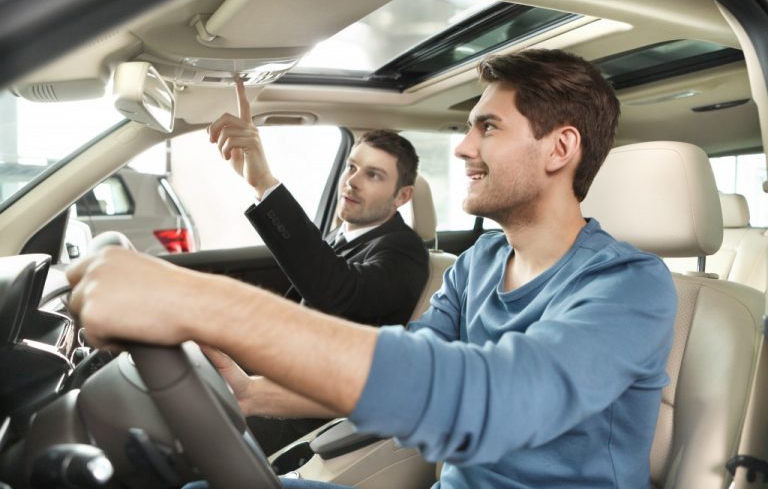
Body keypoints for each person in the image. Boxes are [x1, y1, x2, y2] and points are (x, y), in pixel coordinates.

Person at [67, 49, 677, 489]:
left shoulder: (629, 286)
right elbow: (407, 371)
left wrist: (202, 302)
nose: (463, 147)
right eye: (468, 128)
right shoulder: (481, 263)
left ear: (560, 149)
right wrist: (254, 396)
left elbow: (491, 399)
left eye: (487, 127)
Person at [206, 84, 429, 453]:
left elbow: (337, 291)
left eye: (373, 175)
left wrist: (265, 183)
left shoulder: (405, 253)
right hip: (278, 380)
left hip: (311, 418)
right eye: (352, 166)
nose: (352, 181)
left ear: (402, 196)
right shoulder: (343, 236)